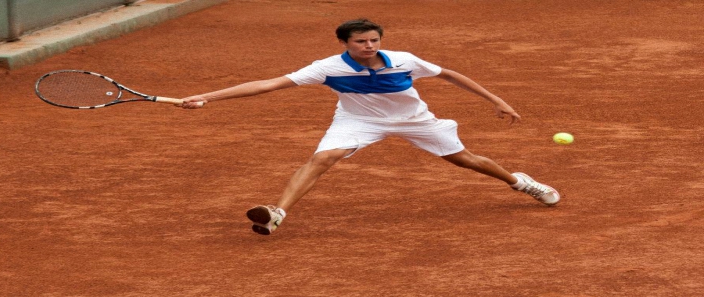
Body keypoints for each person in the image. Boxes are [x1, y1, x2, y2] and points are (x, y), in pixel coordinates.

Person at [179, 19, 560, 235]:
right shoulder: (327, 67)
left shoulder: (403, 60)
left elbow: (449, 74)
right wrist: (207, 96)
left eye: (373, 40)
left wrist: (496, 100)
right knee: (323, 158)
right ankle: (277, 212)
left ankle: (521, 182)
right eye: (360, 41)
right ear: (344, 43)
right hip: (358, 120)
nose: (368, 46)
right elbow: (267, 85)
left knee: (465, 160)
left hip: (415, 121)